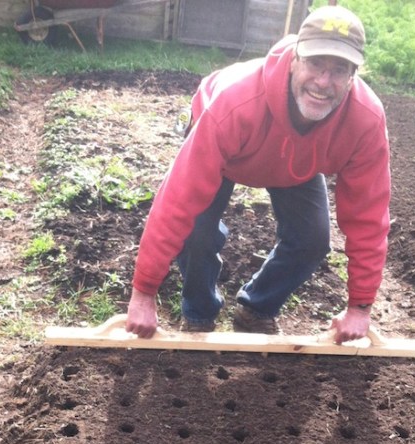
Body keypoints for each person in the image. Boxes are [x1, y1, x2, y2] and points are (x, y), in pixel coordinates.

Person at [125, 4, 390, 343]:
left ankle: (256, 310)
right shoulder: (234, 104)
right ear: (295, 59)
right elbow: (178, 200)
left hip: (296, 160)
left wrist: (361, 307)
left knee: (312, 238)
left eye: (339, 69)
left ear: (353, 74)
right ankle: (199, 314)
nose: (324, 82)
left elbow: (368, 215)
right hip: (230, 146)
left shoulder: (365, 120)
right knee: (196, 231)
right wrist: (144, 292)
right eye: (315, 64)